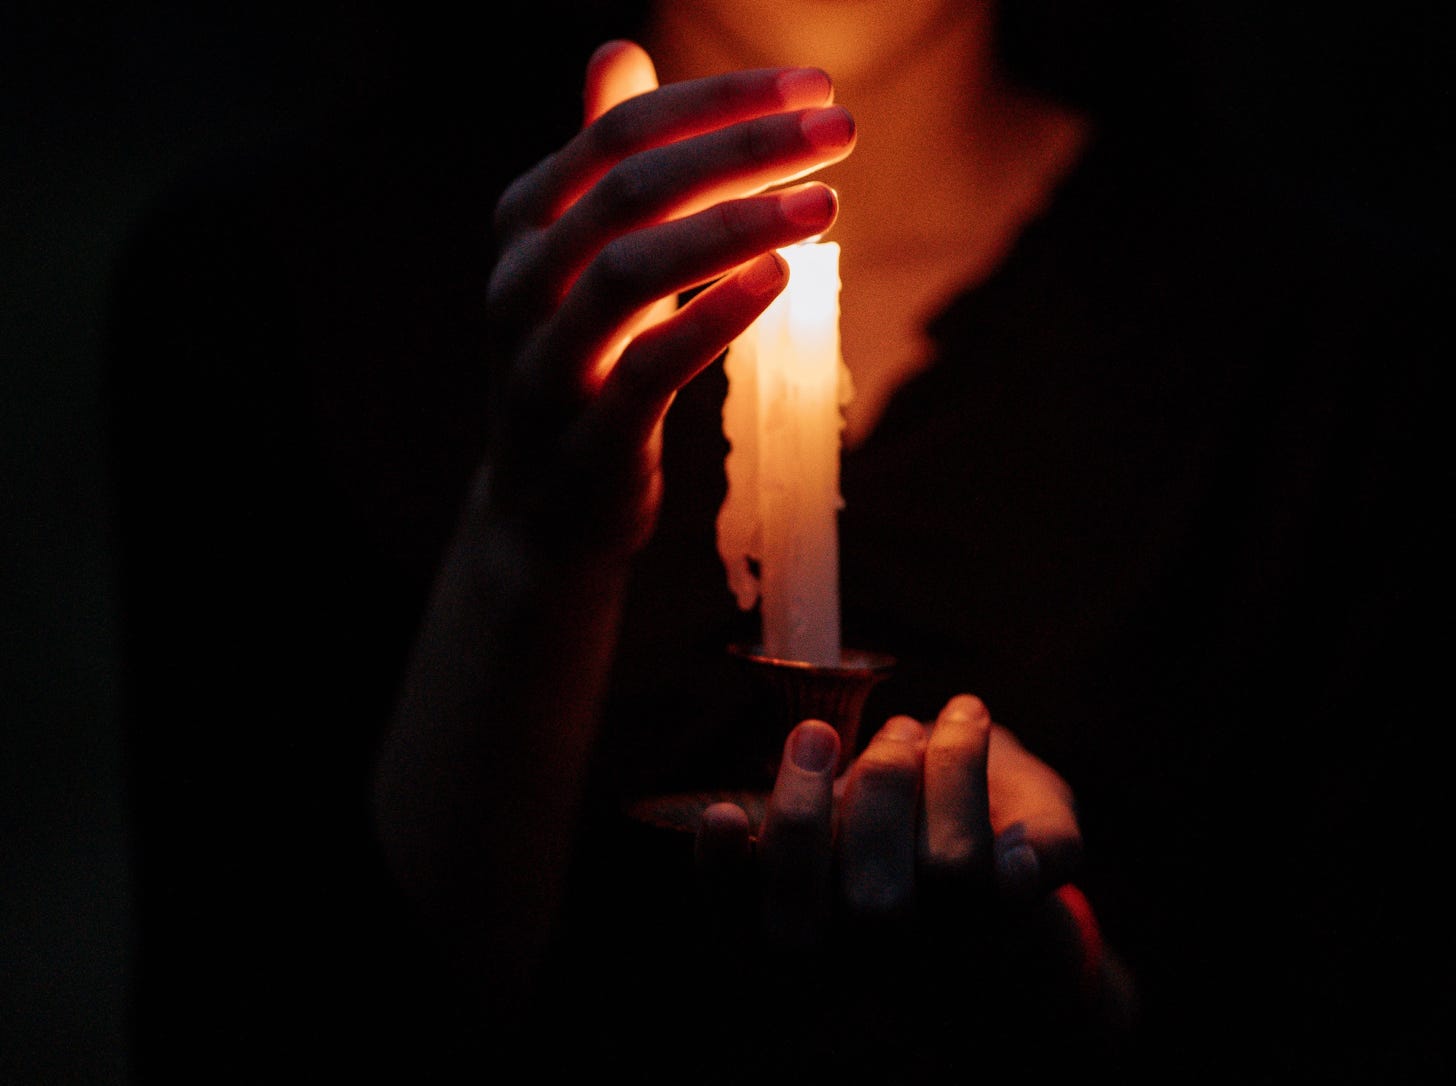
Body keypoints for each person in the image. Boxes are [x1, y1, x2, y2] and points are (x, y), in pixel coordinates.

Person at [106, 1, 1449, 1082]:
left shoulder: (1338, 365)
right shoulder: (263, 302)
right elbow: (253, 1011)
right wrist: (530, 544)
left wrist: (1072, 1007)